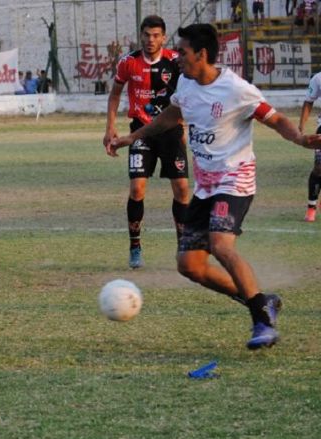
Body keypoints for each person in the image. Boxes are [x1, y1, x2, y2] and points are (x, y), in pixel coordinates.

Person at [108, 23, 321, 349]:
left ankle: (262, 322)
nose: (177, 57)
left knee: (221, 246)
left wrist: (301, 138)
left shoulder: (235, 88)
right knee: (190, 266)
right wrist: (131, 137)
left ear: (202, 54)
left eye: (183, 51)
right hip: (206, 186)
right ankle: (261, 300)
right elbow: (172, 115)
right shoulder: (186, 83)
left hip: (235, 179)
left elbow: (273, 117)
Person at [103, 15, 190, 269]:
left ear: (163, 37)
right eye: (146, 35)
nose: (150, 40)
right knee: (137, 189)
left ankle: (183, 248)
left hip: (171, 130)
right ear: (140, 36)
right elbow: (115, 95)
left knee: (182, 189)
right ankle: (135, 246)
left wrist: (185, 124)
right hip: (140, 131)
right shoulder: (128, 62)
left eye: (156, 35)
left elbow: (187, 95)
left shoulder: (176, 61)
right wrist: (110, 127)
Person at [299, 70, 321, 221]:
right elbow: (308, 102)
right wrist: (301, 126)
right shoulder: (318, 78)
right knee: (319, 167)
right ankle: (311, 207)